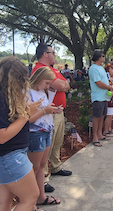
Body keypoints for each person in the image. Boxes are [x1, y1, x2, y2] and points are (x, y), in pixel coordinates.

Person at [0, 57, 42, 211]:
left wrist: (26, 112)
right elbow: (1, 136)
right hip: (9, 157)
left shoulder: (3, 97)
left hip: (5, 157)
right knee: (30, 197)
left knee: (4, 200)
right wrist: (26, 115)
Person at [31, 44, 72, 185]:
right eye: (53, 52)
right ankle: (44, 177)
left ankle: (55, 166)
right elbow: (61, 86)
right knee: (46, 146)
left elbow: (66, 84)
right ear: (45, 54)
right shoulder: (40, 70)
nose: (55, 55)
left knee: (57, 142)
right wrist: (62, 84)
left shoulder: (53, 70)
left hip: (57, 111)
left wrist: (63, 84)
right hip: (46, 114)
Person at [28, 67, 62, 208]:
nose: (48, 86)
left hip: (46, 131)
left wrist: (53, 110)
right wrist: (44, 111)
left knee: (42, 166)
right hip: (35, 133)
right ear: (39, 78)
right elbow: (27, 118)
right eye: (47, 83)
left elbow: (44, 110)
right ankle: (30, 202)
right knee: (34, 168)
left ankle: (41, 197)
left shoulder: (41, 91)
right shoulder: (28, 93)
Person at [88, 50, 113, 147]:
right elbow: (98, 83)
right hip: (97, 97)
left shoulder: (101, 68)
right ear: (99, 57)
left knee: (102, 116)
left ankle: (100, 134)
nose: (104, 57)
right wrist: (109, 87)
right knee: (97, 118)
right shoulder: (93, 68)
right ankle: (94, 137)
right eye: (103, 56)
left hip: (104, 97)